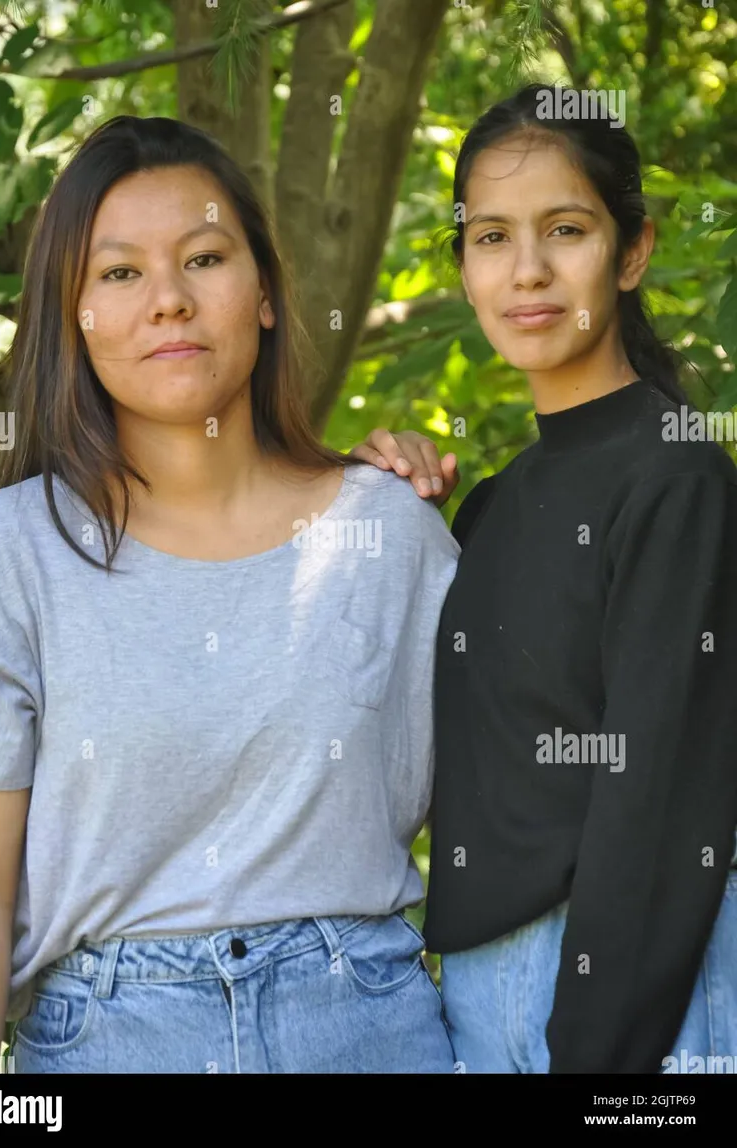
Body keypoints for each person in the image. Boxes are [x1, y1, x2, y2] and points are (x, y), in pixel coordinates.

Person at [0, 115, 460, 1074]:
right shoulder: (4, 556)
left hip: (367, 1024)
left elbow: (505, 825)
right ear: (73, 314)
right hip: (106, 1038)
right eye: (120, 272)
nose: (169, 301)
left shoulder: (391, 537)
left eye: (206, 258)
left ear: (263, 291)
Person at [351, 83, 737, 1074]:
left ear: (632, 250)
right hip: (480, 988)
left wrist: (589, 1049)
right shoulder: (490, 503)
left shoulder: (676, 473)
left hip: (631, 997)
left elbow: (656, 794)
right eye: (488, 236)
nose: (525, 271)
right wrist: (390, 522)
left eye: (563, 229)